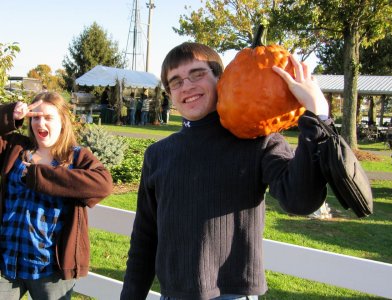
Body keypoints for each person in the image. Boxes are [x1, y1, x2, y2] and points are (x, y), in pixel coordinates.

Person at [120, 42, 330, 300]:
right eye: (175, 81)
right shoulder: (158, 155)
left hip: (233, 295)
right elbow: (144, 237)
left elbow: (300, 200)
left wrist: (317, 117)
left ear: (221, 78)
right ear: (169, 93)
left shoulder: (259, 142)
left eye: (197, 74)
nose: (187, 86)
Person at [0, 92, 113, 299]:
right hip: (8, 263)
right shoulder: (16, 148)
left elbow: (103, 184)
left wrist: (37, 175)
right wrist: (10, 113)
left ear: (62, 121)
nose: (40, 122)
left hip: (50, 271)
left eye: (48, 117)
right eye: (35, 117)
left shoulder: (76, 156)